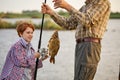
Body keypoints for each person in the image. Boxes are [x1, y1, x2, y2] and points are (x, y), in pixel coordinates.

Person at [41, 0, 111, 80]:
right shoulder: (85, 7)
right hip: (80, 46)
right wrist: (51, 13)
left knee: (83, 77)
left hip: (90, 46)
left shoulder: (102, 3)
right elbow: (68, 24)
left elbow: (87, 21)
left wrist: (68, 6)